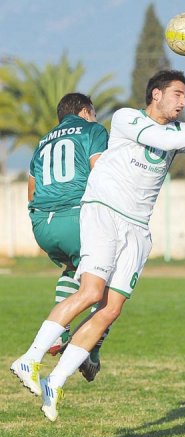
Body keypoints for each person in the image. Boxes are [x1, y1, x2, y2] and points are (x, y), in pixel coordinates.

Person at [11, 69, 185, 421]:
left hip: (138, 227)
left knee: (111, 309)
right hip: (104, 211)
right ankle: (29, 359)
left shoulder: (183, 132)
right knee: (92, 291)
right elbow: (165, 143)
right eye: (177, 94)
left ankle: (55, 380)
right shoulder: (126, 118)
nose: (183, 102)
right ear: (155, 94)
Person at [26, 93, 111, 382]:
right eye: (94, 114)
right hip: (76, 217)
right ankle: (90, 352)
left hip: (42, 224)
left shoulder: (42, 142)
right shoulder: (93, 130)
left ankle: (58, 333)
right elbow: (100, 173)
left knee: (75, 270)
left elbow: (32, 187)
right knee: (110, 285)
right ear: (86, 111)